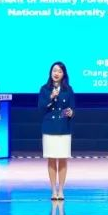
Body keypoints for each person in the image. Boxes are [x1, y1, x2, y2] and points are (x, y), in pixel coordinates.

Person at [39, 61, 75, 200]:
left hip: (64, 128)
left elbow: (73, 107)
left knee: (63, 159)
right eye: (54, 70)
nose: (56, 73)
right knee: (52, 159)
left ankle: (61, 190)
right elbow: (41, 108)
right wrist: (51, 97)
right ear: (50, 73)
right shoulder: (44, 89)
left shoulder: (68, 89)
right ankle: (53, 190)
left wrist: (71, 112)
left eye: (60, 71)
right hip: (49, 127)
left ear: (63, 74)